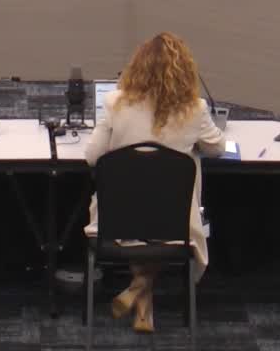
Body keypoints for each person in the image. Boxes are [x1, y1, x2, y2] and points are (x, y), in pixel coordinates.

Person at [83, 32, 226, 333]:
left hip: (119, 219)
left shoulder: (114, 103)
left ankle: (139, 291)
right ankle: (142, 293)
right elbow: (217, 148)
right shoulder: (195, 108)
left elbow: (92, 157)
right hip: (174, 224)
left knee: (140, 216)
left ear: (137, 66)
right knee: (164, 211)